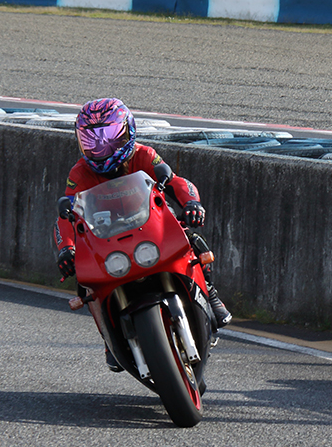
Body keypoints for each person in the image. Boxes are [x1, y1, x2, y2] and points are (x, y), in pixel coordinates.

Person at [55, 98, 233, 372]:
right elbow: (65, 215)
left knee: (193, 239)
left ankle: (210, 294)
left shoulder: (144, 155)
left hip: (150, 225)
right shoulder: (79, 173)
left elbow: (176, 181)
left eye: (109, 137)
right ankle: (109, 338)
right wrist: (66, 249)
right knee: (87, 286)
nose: (101, 147)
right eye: (92, 140)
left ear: (128, 131)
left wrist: (192, 203)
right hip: (107, 237)